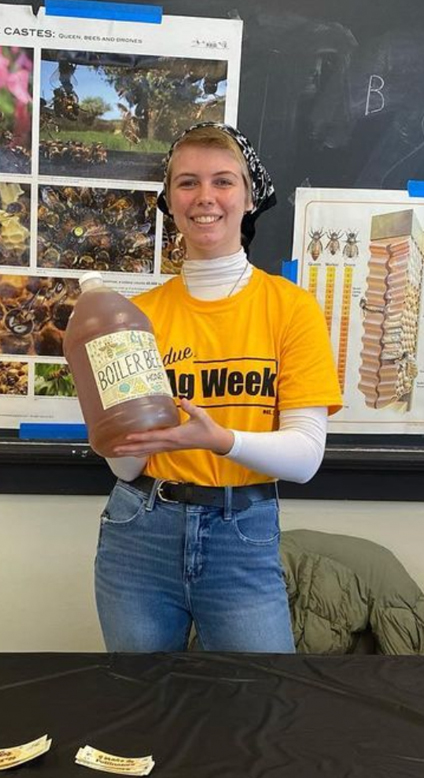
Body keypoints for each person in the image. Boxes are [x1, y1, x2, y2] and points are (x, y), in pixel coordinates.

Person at [94, 123, 342, 654]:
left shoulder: (290, 308)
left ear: (250, 197)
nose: (205, 197)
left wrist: (218, 439)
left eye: (223, 181)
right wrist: (110, 418)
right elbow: (127, 464)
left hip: (243, 536)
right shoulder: (137, 317)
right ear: (169, 200)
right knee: (142, 707)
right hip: (140, 530)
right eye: (187, 182)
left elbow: (305, 458)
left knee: (255, 707)